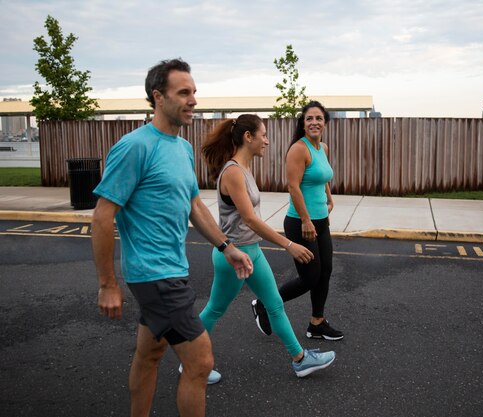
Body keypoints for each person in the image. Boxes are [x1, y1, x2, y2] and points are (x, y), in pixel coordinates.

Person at [91, 58, 253, 417]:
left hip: (172, 268)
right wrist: (107, 284)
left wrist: (227, 247)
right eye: (183, 92)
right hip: (153, 274)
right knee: (200, 362)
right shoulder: (135, 147)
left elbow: (194, 205)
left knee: (150, 353)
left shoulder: (181, 148)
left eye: (194, 91)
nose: (193, 99)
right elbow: (103, 217)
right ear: (158, 97)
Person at [199, 114, 336, 378]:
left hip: (252, 252)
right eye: (263, 135)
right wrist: (289, 244)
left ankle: (300, 359)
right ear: (248, 137)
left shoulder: (243, 169)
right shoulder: (233, 172)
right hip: (234, 255)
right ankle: (191, 359)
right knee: (215, 309)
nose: (267, 141)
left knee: (274, 304)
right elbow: (250, 219)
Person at [252, 101, 343, 341]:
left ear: (325, 122)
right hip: (301, 223)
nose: (314, 122)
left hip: (321, 221)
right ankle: (264, 304)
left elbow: (323, 176)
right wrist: (306, 220)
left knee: (325, 272)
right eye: (309, 118)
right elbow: (293, 186)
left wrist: (329, 198)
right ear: (303, 123)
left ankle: (317, 323)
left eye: (318, 118)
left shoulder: (322, 147)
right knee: (310, 277)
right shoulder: (298, 149)